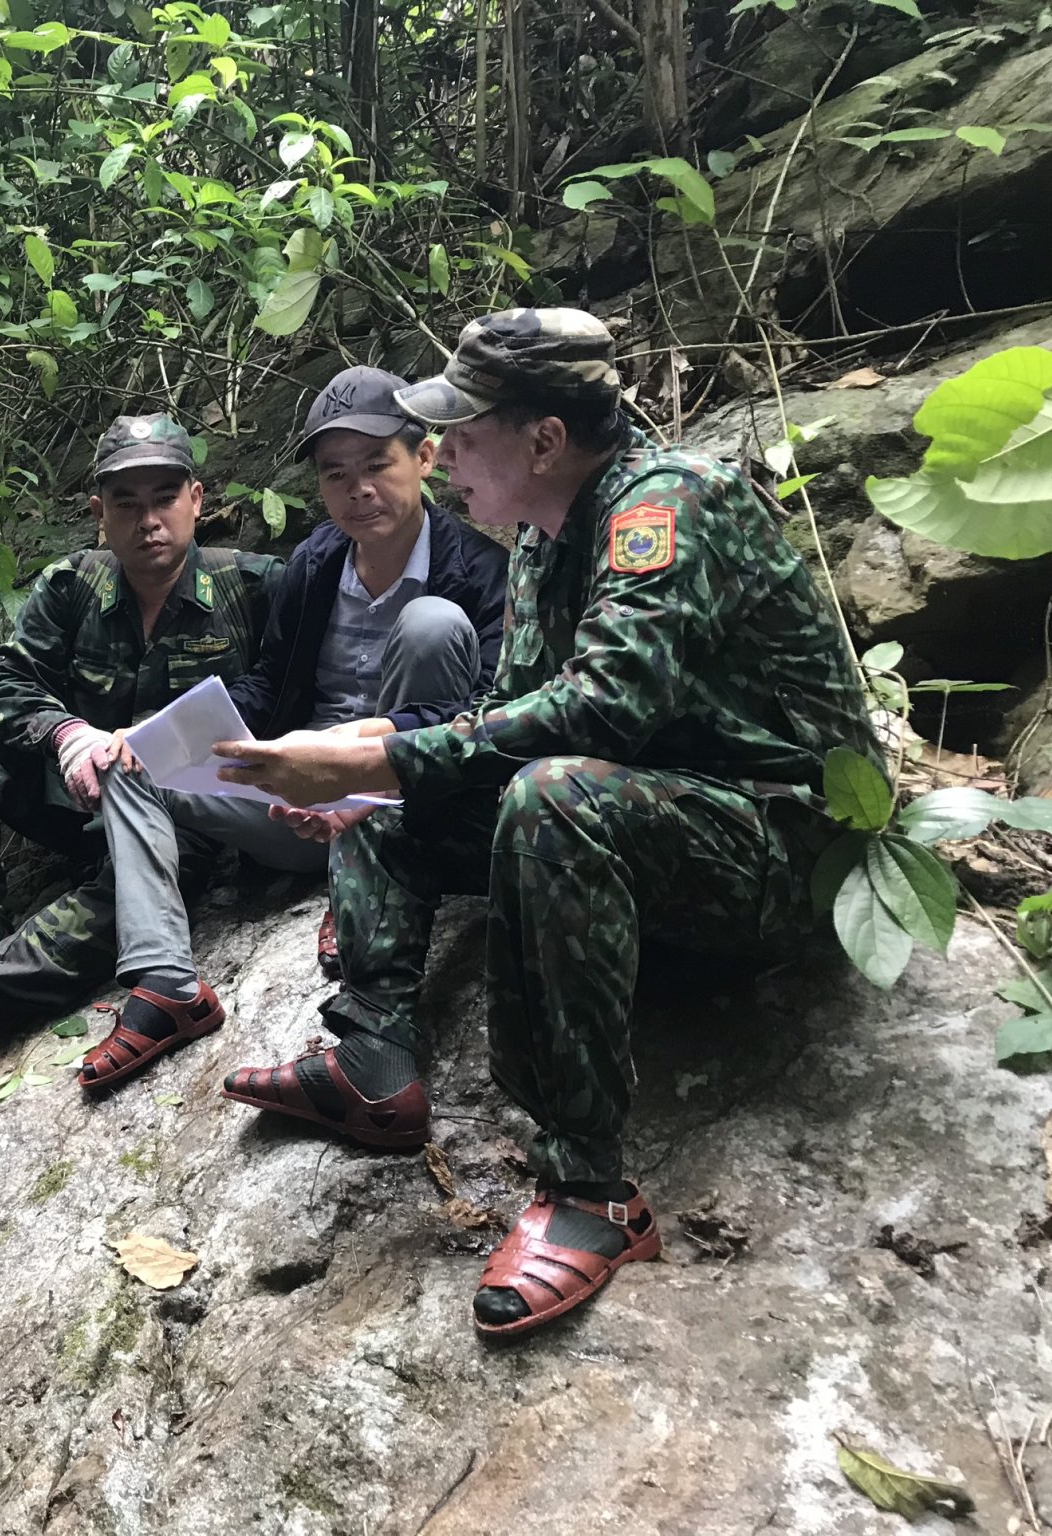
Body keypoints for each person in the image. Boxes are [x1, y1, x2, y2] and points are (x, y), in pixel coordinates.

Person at [214, 310, 879, 1338]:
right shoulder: (540, 535)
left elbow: (600, 711)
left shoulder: (667, 506)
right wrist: (369, 772)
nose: (438, 459)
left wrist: (383, 751)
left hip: (779, 844)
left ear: (542, 440)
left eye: (460, 435)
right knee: (410, 794)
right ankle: (372, 1057)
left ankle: (592, 1193)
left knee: (543, 795)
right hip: (657, 816)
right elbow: (505, 717)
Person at [0, 413, 283, 1088]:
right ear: (98, 514)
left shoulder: (253, 587)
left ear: (196, 501)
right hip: (74, 797)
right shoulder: (73, 585)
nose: (149, 522)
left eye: (165, 499)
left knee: (154, 874)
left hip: (178, 815)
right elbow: (5, 681)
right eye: (126, 505)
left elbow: (294, 689)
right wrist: (66, 733)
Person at [229, 365, 508, 975]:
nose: (358, 489)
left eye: (377, 464)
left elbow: (487, 713)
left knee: (431, 623)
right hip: (301, 797)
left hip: (405, 798)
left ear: (425, 458)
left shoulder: (484, 575)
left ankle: (365, 875)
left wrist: (348, 757)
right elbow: (273, 680)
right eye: (336, 474)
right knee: (139, 769)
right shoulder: (314, 563)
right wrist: (197, 732)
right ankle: (160, 976)